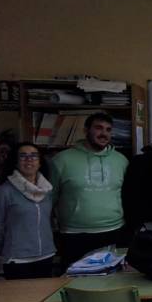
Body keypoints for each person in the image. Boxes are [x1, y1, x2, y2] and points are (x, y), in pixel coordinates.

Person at [51, 112, 129, 267]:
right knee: (74, 278)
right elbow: (49, 199)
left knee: (113, 278)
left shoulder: (121, 160)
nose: (104, 133)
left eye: (108, 129)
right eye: (98, 128)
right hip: (74, 235)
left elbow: (127, 196)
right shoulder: (61, 160)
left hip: (114, 231)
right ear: (86, 130)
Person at [0, 142, 56, 279]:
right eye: (23, 156)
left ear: (40, 162)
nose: (29, 159)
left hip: (46, 255)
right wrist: (8, 248)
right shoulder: (4, 191)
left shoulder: (47, 190)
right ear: (16, 162)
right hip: (18, 260)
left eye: (34, 156)